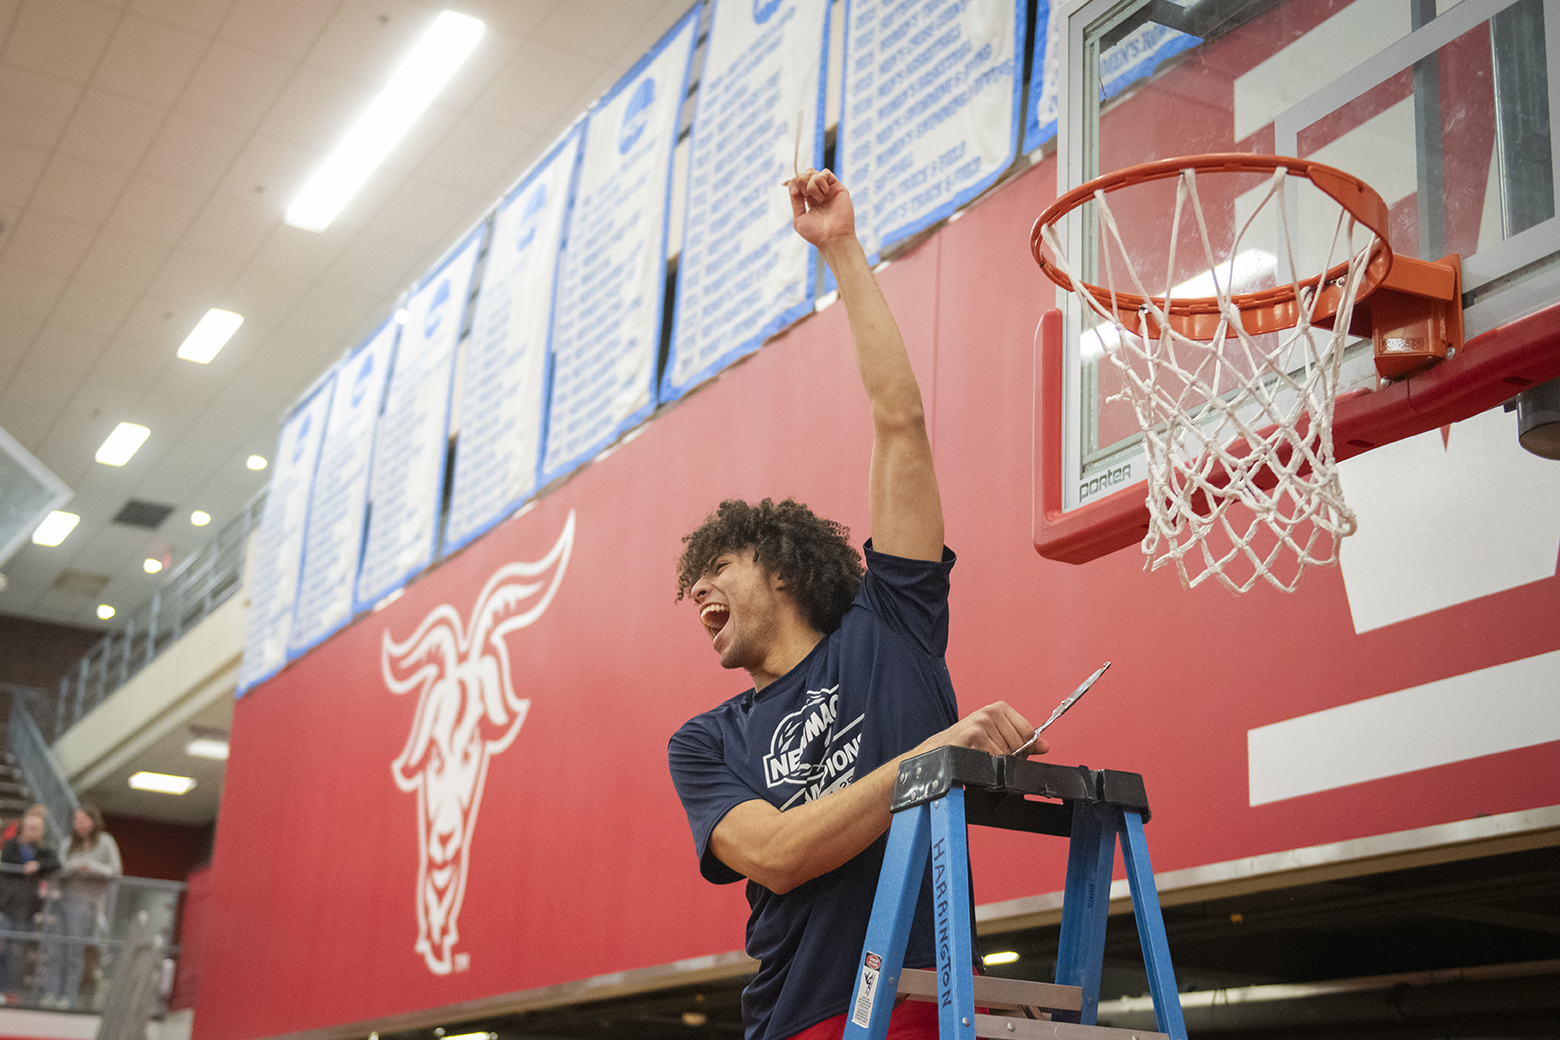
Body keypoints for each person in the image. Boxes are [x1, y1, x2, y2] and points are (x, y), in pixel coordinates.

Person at [668, 169, 1046, 1040]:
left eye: (718, 566)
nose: (698, 590)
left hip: (922, 1003)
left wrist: (840, 248)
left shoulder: (895, 626)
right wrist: (931, 759)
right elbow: (778, 854)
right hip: (802, 1020)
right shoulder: (705, 741)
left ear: (784, 573)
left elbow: (899, 423)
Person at [40, 805, 120, 1008]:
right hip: (63, 900)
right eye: (76, 819)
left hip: (87, 903)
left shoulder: (105, 842)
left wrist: (91, 867)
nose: (79, 823)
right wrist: (71, 869)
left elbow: (114, 870)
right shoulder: (68, 843)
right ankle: (51, 992)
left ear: (93, 821)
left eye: (84, 819)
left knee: (74, 951)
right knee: (56, 949)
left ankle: (68, 996)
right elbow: (59, 868)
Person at [0, 812, 60, 997]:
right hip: (6, 907)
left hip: (28, 911)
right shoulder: (12, 845)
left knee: (17, 953)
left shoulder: (41, 851)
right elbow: (8, 859)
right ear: (23, 829)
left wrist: (38, 865)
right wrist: (27, 865)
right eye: (32, 828)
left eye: (38, 829)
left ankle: (9, 991)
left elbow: (56, 863)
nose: (36, 833)